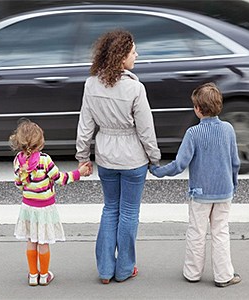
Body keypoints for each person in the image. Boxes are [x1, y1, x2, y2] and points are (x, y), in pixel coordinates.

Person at [75, 29, 161, 284]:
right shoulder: (135, 88)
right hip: (133, 158)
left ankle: (104, 269)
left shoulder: (91, 84)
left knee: (110, 209)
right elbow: (146, 129)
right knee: (129, 213)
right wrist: (154, 158)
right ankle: (124, 268)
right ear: (122, 56)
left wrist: (83, 156)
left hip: (106, 157)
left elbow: (85, 125)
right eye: (133, 51)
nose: (137, 55)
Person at [150, 82, 241, 288]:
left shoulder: (193, 133)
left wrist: (158, 171)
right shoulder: (228, 130)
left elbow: (180, 164)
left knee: (196, 232)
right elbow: (235, 162)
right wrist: (233, 185)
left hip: (200, 194)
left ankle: (192, 273)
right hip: (224, 191)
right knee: (221, 232)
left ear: (198, 109)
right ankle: (224, 275)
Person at [9, 119, 89, 286]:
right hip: (45, 208)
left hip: (28, 207)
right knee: (43, 241)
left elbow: (18, 183)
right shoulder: (45, 160)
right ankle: (44, 275)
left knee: (31, 240)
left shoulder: (18, 160)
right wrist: (79, 173)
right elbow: (60, 179)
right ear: (40, 142)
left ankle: (32, 275)